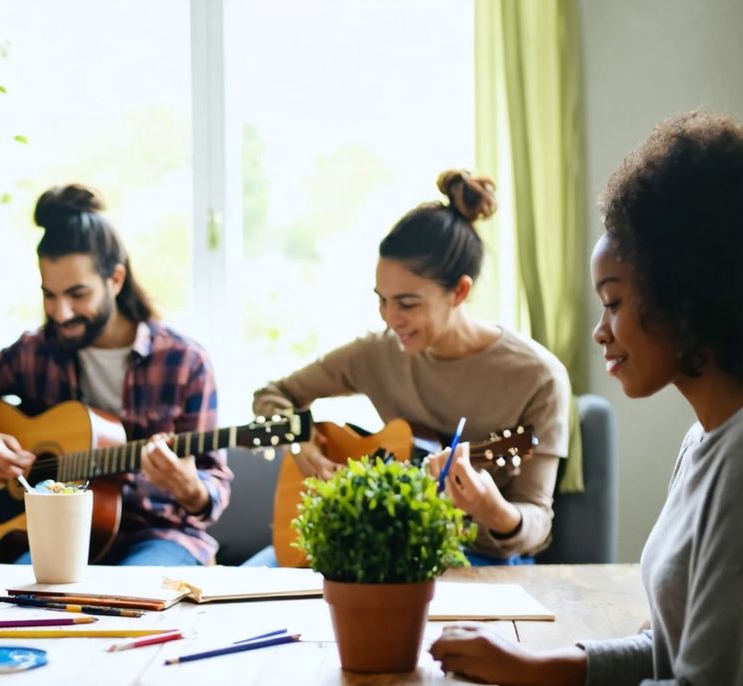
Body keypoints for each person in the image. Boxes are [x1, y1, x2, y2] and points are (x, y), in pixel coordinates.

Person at [429, 112, 743, 684]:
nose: (600, 331)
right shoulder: (703, 440)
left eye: (614, 302)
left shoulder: (738, 464)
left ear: (685, 296)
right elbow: (667, 651)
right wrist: (528, 662)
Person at [248, 170, 571, 567]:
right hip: (375, 542)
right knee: (244, 594)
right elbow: (270, 396)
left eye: (407, 304)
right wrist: (301, 445)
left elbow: (537, 519)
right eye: (381, 300)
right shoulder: (377, 353)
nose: (389, 319)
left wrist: (493, 512)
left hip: (479, 556)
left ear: (460, 291)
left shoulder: (538, 377)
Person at [0, 184, 232, 566]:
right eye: (49, 295)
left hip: (158, 534)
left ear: (116, 279)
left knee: (131, 597)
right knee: (14, 604)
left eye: (77, 294)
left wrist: (190, 488)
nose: (60, 313)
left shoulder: (185, 362)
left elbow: (214, 485)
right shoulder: (34, 353)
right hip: (53, 531)